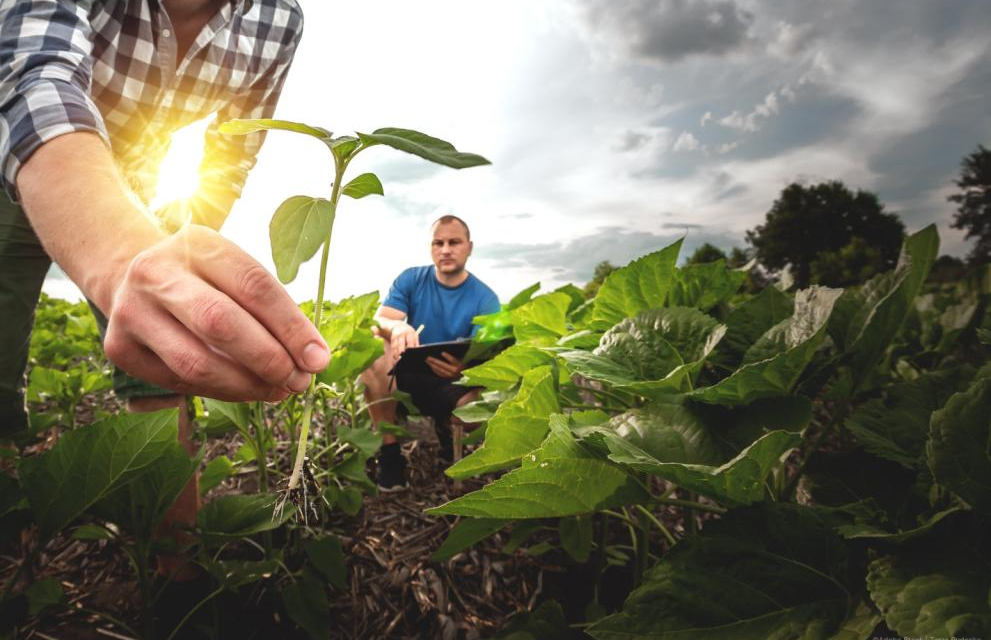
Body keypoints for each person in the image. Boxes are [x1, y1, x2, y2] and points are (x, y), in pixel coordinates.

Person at [0, 0, 329, 577]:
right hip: (20, 157)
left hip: (138, 188)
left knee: (164, 365)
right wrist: (123, 256)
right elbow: (34, 73)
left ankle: (176, 574)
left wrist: (185, 266)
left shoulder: (280, 19)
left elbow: (230, 154)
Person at [360, 215, 501, 491]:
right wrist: (398, 327)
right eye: (438, 242)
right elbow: (382, 320)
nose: (445, 249)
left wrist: (465, 370)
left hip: (454, 383)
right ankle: (390, 458)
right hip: (404, 378)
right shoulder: (411, 279)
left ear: (469, 247)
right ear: (431, 247)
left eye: (454, 242)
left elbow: (494, 357)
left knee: (476, 408)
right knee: (375, 346)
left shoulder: (487, 299)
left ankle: (449, 434)